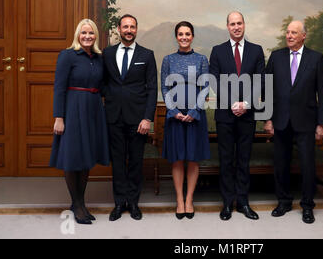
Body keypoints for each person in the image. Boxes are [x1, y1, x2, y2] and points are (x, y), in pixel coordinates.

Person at [264, 20, 323, 224]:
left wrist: (322, 123)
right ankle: (283, 202)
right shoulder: (276, 57)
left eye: (294, 33)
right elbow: (267, 89)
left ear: (303, 36)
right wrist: (267, 118)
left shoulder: (316, 58)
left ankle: (307, 206)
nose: (289, 36)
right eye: (288, 32)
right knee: (280, 164)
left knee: (308, 165)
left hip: (307, 122)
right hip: (280, 121)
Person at [50, 19, 110, 225]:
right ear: (77, 34)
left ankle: (80, 203)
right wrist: (59, 117)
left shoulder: (99, 58)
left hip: (93, 109)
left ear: (96, 36)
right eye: (84, 33)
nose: (87, 36)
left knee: (86, 155)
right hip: (73, 109)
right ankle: (76, 204)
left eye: (91, 33)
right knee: (72, 155)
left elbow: (103, 85)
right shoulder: (67, 55)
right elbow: (59, 88)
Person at [209, 12, 266, 221]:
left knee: (243, 160)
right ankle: (226, 203)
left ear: (244, 25)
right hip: (225, 114)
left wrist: (246, 104)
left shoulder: (256, 50)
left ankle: (242, 202)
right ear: (227, 26)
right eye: (232, 24)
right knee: (226, 160)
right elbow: (214, 81)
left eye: (239, 23)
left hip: (247, 115)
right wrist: (233, 103)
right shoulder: (217, 51)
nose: (236, 27)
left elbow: (260, 80)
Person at [102, 14, 158, 221]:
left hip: (138, 119)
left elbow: (152, 89)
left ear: (137, 29)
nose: (128, 30)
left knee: (135, 162)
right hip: (113, 116)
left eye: (132, 27)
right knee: (117, 162)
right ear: (119, 29)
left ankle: (133, 203)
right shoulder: (107, 54)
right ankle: (119, 203)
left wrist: (147, 118)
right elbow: (103, 82)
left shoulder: (147, 54)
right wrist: (110, 98)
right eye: (125, 26)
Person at [161, 21, 210, 220]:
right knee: (178, 158)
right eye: (180, 34)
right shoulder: (168, 59)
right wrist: (173, 111)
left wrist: (194, 110)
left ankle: (189, 199)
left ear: (192, 36)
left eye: (187, 34)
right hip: (175, 116)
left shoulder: (201, 59)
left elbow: (206, 87)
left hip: (195, 115)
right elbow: (164, 88)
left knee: (193, 158)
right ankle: (179, 200)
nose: (184, 37)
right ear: (176, 36)